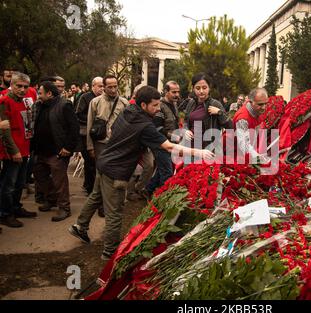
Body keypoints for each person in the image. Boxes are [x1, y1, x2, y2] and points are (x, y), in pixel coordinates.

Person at [69, 85, 214, 260]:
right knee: (115, 212)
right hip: (117, 171)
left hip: (105, 163)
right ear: (143, 105)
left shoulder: (129, 110)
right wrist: (199, 152)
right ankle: (110, 253)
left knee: (96, 196)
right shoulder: (145, 125)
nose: (158, 108)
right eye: (154, 105)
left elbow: (113, 130)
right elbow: (168, 147)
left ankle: (80, 226)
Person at [71, 76, 128, 234]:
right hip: (101, 145)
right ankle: (104, 209)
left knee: (105, 180)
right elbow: (90, 125)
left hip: (117, 146)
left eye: (115, 86)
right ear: (103, 87)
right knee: (101, 178)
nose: (112, 89)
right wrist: (90, 147)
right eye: (109, 86)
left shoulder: (124, 103)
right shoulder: (95, 102)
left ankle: (85, 221)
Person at [32, 81, 80, 221]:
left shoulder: (64, 105)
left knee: (60, 181)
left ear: (49, 93)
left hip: (57, 151)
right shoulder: (40, 105)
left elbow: (74, 128)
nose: (38, 96)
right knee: (39, 175)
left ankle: (64, 208)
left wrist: (68, 148)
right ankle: (52, 199)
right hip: (40, 150)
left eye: (40, 93)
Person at [0, 73, 37, 228]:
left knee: (20, 183)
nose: (22, 89)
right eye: (19, 86)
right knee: (8, 184)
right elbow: (4, 131)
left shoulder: (24, 102)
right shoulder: (4, 101)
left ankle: (15, 208)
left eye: (25, 87)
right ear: (12, 85)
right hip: (12, 152)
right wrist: (14, 151)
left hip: (24, 149)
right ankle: (5, 213)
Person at [145, 81, 181, 197]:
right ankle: (162, 199)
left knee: (163, 170)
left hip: (171, 145)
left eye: (178, 92)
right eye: (173, 92)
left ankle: (148, 190)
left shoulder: (174, 104)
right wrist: (173, 136)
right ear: (166, 91)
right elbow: (157, 128)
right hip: (161, 144)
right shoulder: (159, 106)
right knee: (167, 172)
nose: (177, 94)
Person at [183, 73, 232, 150]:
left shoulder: (215, 104)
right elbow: (186, 121)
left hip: (208, 148)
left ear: (209, 88)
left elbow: (230, 126)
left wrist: (219, 113)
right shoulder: (191, 103)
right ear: (193, 88)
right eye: (198, 88)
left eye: (204, 88)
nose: (201, 91)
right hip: (191, 147)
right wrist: (185, 130)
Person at [75, 76, 104, 195]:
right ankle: (89, 187)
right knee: (89, 161)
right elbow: (78, 114)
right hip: (86, 134)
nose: (102, 88)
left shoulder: (103, 99)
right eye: (99, 86)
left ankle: (93, 186)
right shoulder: (85, 97)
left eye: (103, 86)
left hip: (100, 135)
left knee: (96, 163)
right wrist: (91, 121)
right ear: (93, 86)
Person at [233, 88, 268, 160]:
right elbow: (244, 145)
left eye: (265, 103)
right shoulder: (242, 118)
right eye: (260, 104)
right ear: (251, 102)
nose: (264, 107)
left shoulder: (258, 111)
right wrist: (257, 157)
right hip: (233, 152)